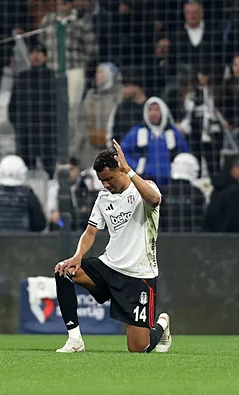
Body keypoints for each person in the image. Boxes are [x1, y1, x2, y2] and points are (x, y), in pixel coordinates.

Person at [53, 140, 171, 354]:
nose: (105, 185)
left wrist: (130, 171)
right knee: (64, 270)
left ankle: (161, 324)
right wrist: (78, 255)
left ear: (121, 170)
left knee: (138, 348)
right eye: (101, 181)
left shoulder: (144, 189)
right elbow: (90, 233)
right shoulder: (103, 198)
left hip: (139, 274)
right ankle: (75, 340)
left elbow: (155, 199)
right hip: (109, 268)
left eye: (108, 179)